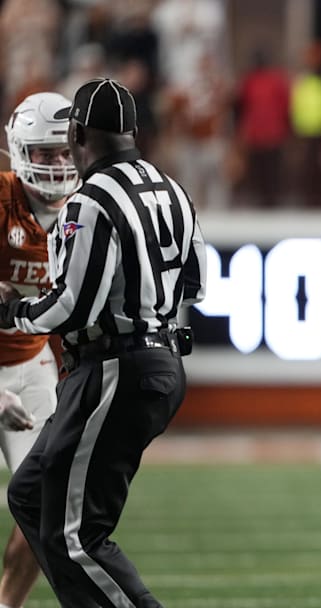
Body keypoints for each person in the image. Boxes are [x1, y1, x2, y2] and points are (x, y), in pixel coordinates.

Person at [0, 78, 206, 607]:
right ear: (133, 131)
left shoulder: (88, 200)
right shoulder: (172, 188)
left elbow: (73, 306)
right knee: (29, 494)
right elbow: (199, 282)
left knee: (78, 536)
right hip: (157, 355)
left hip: (113, 366)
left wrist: (16, 312)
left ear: (77, 134)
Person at [0, 91, 80, 608]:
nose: (57, 164)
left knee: (43, 509)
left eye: (63, 152)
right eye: (44, 153)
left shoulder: (87, 210)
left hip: (32, 367)